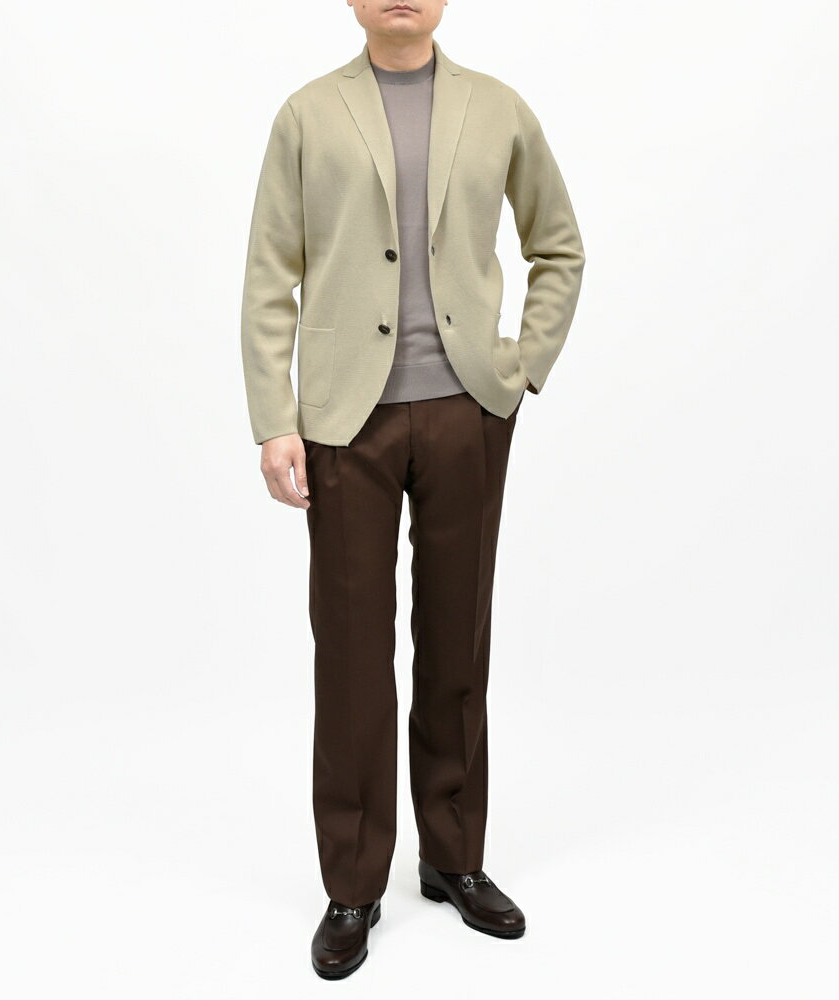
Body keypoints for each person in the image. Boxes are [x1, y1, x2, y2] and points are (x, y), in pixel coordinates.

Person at [240, 0, 584, 981]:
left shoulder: (498, 107)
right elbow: (269, 276)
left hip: (467, 410)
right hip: (344, 421)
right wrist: (274, 417)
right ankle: (353, 883)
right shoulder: (307, 114)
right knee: (351, 653)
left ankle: (453, 856)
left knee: (456, 639)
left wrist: (519, 367)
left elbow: (559, 246)